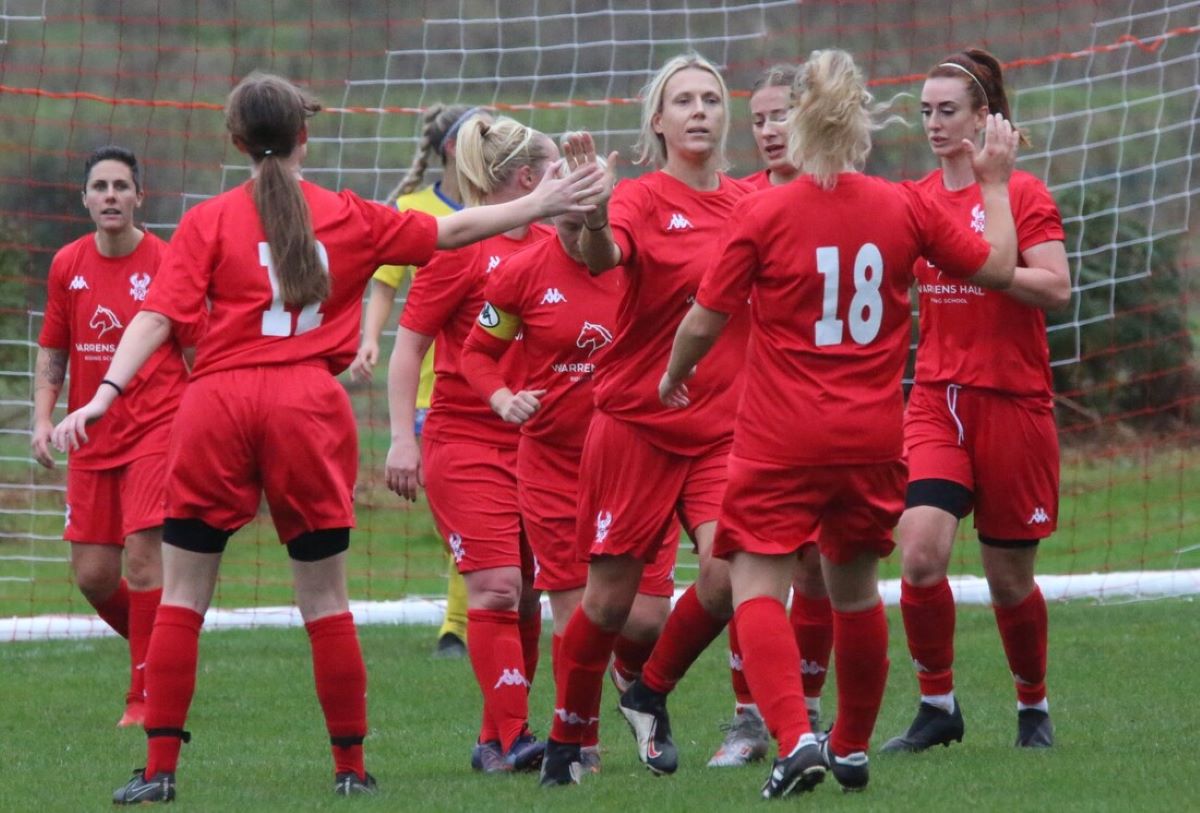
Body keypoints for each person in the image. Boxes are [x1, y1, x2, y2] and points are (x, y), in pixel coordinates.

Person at [52, 72, 602, 805]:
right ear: (305, 136)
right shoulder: (344, 214)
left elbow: (154, 321)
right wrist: (541, 201)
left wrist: (103, 395)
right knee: (325, 598)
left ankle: (158, 770)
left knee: (183, 596)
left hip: (215, 405)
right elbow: (446, 231)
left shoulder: (209, 221)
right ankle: (349, 766)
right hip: (307, 406)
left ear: (237, 142)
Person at [657, 49, 1019, 798]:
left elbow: (703, 318)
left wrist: (673, 374)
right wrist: (993, 184)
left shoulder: (763, 209)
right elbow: (999, 268)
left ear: (800, 122)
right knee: (856, 593)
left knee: (758, 585)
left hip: (782, 439)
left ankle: (795, 739)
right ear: (863, 116)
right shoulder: (904, 205)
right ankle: (850, 744)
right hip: (873, 438)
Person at [539, 53, 756, 785]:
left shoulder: (751, 205)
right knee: (608, 604)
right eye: (682, 100)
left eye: (710, 98)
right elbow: (602, 255)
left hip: (721, 429)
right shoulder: (638, 197)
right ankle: (568, 741)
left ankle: (648, 691)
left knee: (729, 578)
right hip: (635, 422)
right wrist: (593, 216)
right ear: (656, 122)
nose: (699, 110)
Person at [458, 147, 678, 775]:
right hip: (554, 465)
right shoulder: (521, 274)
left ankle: (638, 689)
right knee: (576, 613)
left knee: (645, 616)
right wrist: (503, 398)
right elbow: (478, 353)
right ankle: (579, 744)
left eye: (584, 214)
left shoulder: (636, 263)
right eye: (562, 215)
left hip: (637, 456)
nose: (571, 228)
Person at [881, 49, 1069, 754]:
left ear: (985, 117)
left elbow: (1054, 288)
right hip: (936, 399)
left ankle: (1033, 706)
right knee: (921, 553)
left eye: (948, 109)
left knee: (1009, 577)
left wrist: (993, 261)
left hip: (1014, 402)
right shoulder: (914, 200)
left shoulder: (1022, 193)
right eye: (925, 110)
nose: (933, 122)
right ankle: (937, 705)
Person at [384, 114, 573, 774]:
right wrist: (399, 439)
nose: (563, 179)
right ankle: (518, 735)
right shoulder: (460, 248)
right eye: (556, 169)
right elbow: (407, 349)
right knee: (494, 588)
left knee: (524, 593)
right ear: (527, 178)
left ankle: (497, 741)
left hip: (539, 446)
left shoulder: (556, 242)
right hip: (464, 440)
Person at [31, 146, 192, 729]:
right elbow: (54, 346)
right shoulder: (67, 265)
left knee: (147, 564)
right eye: (99, 187)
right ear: (84, 199)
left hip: (157, 428)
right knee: (94, 578)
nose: (110, 196)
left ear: (139, 197)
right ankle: (171, 651)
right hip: (89, 438)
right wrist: (43, 418)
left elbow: (194, 346)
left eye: (121, 186)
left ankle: (144, 697)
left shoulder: (169, 261)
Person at [708, 63, 835, 770]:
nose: (767, 130)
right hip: (749, 417)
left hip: (830, 417)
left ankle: (808, 709)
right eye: (756, 119)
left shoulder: (846, 197)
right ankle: (748, 717)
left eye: (780, 115)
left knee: (818, 569)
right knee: (748, 568)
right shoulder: (738, 202)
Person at [349, 103, 488, 660]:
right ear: (455, 146)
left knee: (486, 518)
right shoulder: (413, 210)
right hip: (434, 390)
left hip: (500, 385)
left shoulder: (506, 208)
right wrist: (369, 339)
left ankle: (460, 628)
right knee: (458, 517)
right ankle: (468, 620)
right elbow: (383, 283)